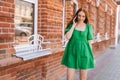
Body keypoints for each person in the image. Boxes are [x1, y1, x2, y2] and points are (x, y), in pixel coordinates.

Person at [61, 8, 95, 80]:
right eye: (79, 15)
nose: (81, 18)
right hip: (72, 53)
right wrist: (73, 25)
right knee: (69, 78)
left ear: (85, 17)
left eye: (83, 16)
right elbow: (67, 37)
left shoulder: (88, 27)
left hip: (84, 53)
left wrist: (90, 56)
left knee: (83, 78)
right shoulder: (71, 25)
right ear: (76, 16)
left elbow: (89, 42)